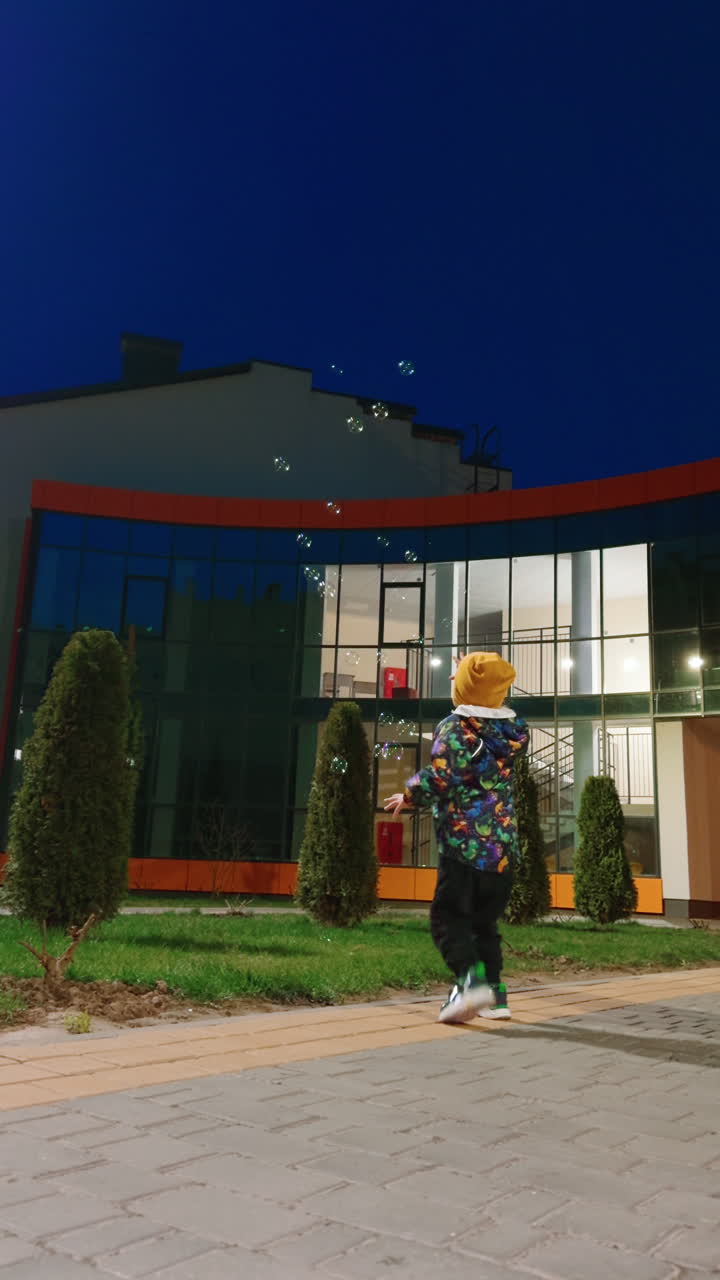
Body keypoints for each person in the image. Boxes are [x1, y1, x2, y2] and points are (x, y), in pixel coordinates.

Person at [384, 651, 529, 1024]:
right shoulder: (513, 730)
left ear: (463, 689)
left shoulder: (455, 727)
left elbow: (443, 775)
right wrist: (473, 675)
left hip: (464, 847)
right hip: (501, 850)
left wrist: (410, 794)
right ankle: (496, 998)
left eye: (458, 678)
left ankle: (469, 982)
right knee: (484, 924)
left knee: (448, 918)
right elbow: (487, 695)